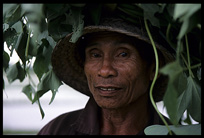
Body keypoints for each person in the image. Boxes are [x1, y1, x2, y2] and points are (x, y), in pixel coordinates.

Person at [38, 17, 174, 135]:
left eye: (123, 54)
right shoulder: (57, 130)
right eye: (95, 55)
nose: (105, 70)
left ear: (153, 69)